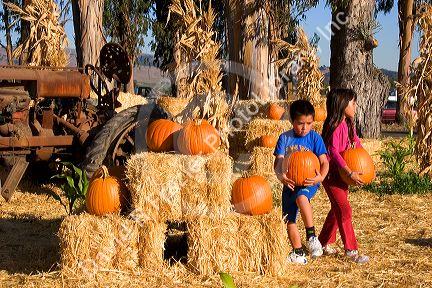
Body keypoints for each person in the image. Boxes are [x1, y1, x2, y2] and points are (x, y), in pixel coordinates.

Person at [273, 99, 329, 264]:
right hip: (289, 182)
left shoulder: (314, 138)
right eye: (300, 123)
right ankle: (298, 253)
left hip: (308, 181)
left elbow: (325, 162)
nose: (305, 127)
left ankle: (311, 236)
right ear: (292, 121)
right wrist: (280, 176)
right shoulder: (284, 138)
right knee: (289, 219)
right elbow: (278, 163)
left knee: (301, 198)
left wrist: (321, 177)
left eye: (309, 123)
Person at [318, 88, 369, 264]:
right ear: (342, 104)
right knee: (344, 209)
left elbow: (357, 143)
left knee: (337, 209)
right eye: (352, 102)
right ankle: (351, 250)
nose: (355, 105)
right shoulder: (335, 126)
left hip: (342, 174)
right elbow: (333, 151)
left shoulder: (348, 124)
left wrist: (366, 162)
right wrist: (349, 171)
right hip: (332, 174)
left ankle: (321, 243)